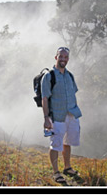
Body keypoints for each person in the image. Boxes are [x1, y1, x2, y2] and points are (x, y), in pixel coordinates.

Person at [41, 46, 82, 183]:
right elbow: (45, 98)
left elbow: (72, 93)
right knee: (55, 144)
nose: (63, 59)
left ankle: (67, 167)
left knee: (67, 142)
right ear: (56, 57)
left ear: (68, 59)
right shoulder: (49, 76)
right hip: (57, 116)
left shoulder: (70, 75)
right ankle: (56, 172)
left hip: (71, 114)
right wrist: (46, 119)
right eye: (61, 56)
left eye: (65, 57)